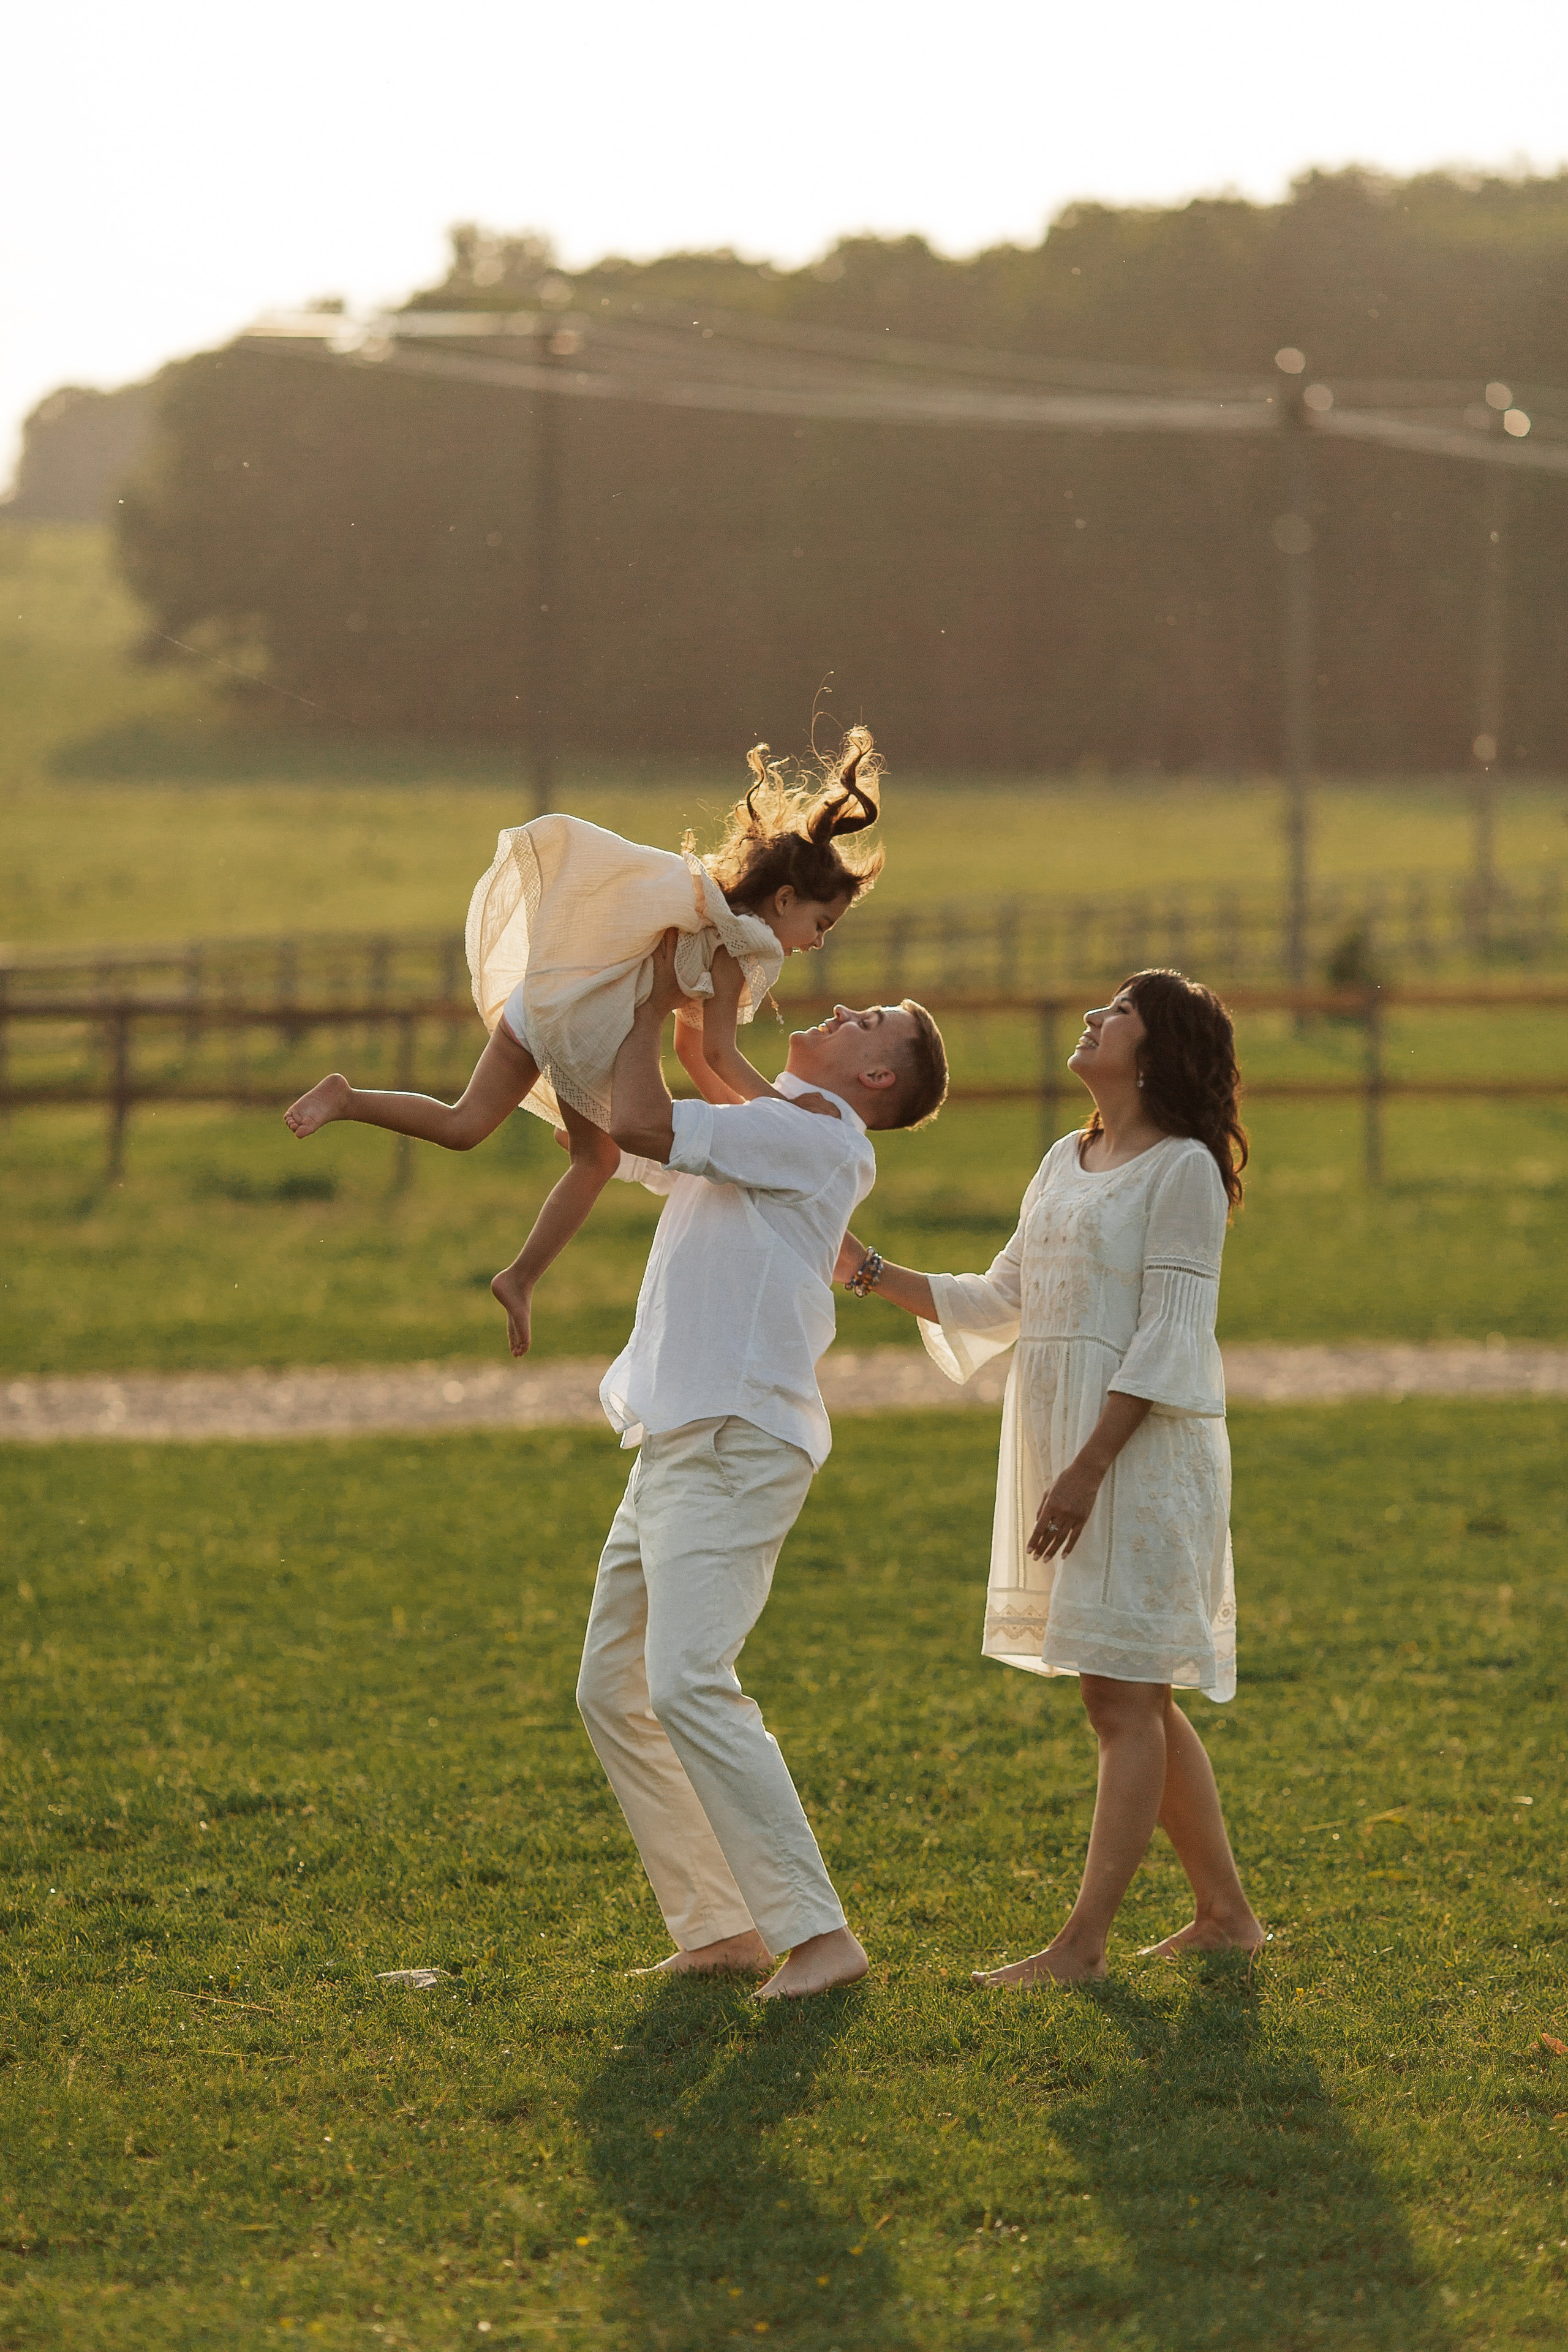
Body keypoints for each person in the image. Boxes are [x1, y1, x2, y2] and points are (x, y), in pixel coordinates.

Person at [835, 969, 1264, 1986]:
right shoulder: (1062, 1161)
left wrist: (1087, 1468)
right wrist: (860, 1268)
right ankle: (1228, 1916)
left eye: (1115, 1014)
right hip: (1071, 1445)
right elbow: (999, 1299)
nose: (1090, 1018)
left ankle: (1081, 1947)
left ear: (1157, 1050)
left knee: (1123, 1699)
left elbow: (1171, 1335)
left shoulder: (1186, 1172)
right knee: (1133, 1695)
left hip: (1140, 1455)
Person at [578, 932, 948, 1998]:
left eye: (867, 1021)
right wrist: (693, 977)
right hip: (679, 1433)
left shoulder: (822, 1139)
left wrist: (658, 999)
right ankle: (721, 1927)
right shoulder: (782, 1123)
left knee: (690, 1679)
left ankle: (820, 1936)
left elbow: (657, 1108)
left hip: (738, 1439)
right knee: (613, 1688)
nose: (843, 1011)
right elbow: (702, 1067)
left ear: (874, 1079)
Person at [283, 730, 885, 1357]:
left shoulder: (701, 914)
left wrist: (740, 1125)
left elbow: (689, 1052)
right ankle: (519, 1278)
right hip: (585, 1032)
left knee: (464, 1124)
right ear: (785, 899)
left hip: (542, 1003)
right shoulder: (736, 948)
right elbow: (716, 1056)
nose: (817, 942)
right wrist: (785, 1116)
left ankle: (347, 1098)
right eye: (820, 924)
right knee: (593, 1160)